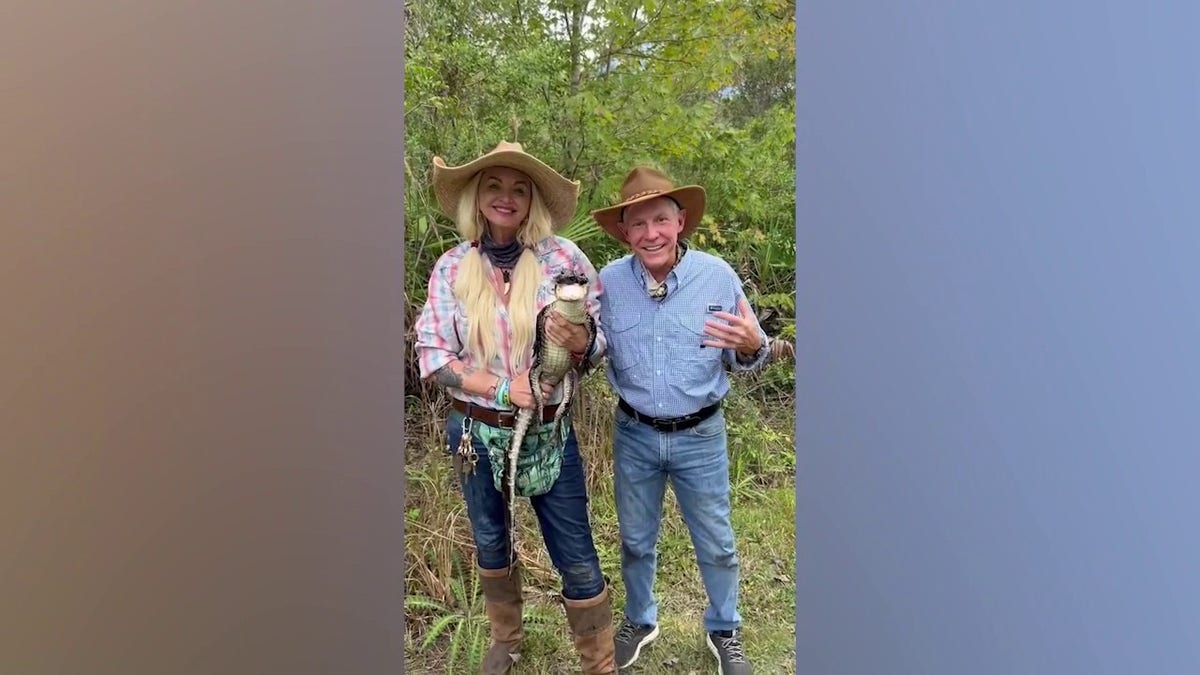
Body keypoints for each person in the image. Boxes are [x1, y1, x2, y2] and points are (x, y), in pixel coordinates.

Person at [414, 142, 615, 674]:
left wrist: (578, 343)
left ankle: (599, 662)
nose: (507, 198)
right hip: (473, 432)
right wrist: (504, 390)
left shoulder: (565, 260)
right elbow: (433, 357)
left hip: (549, 430)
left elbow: (598, 346)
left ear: (533, 201)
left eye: (519, 188)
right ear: (477, 198)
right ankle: (506, 639)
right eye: (495, 186)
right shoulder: (452, 266)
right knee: (489, 539)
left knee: (574, 546)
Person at [591, 166, 769, 675]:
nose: (651, 234)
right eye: (638, 223)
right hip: (634, 433)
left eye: (661, 220)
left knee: (717, 540)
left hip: (701, 434)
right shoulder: (607, 283)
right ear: (624, 231)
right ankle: (641, 619)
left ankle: (724, 628)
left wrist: (754, 345)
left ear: (681, 220)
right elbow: (591, 351)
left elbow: (745, 354)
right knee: (634, 538)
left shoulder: (717, 276)